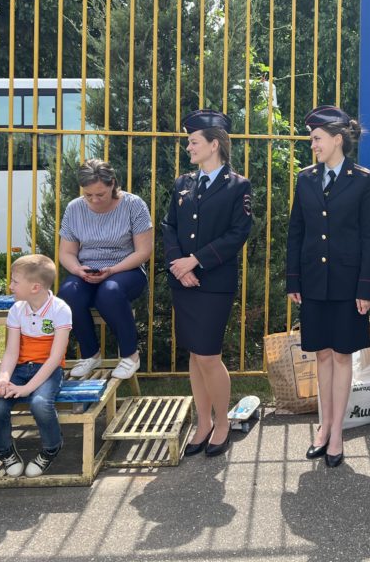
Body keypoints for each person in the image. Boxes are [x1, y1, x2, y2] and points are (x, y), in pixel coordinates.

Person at [286, 106, 370, 467]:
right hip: (313, 282)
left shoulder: (362, 179)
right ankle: (323, 427)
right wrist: (294, 278)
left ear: (337, 139)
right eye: (312, 139)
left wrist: (366, 288)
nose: (313, 145)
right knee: (321, 354)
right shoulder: (306, 178)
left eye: (317, 138)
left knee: (342, 356)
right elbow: (296, 230)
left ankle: (337, 431)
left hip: (347, 283)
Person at [162, 110, 253, 457]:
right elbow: (169, 225)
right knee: (195, 355)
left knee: (209, 355)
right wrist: (178, 265)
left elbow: (237, 234)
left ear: (214, 144)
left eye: (194, 142)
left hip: (214, 282)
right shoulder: (183, 183)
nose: (188, 147)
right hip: (182, 281)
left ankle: (222, 422)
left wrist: (195, 261)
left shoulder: (237, 186)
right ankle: (202, 423)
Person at [57, 159, 153, 381]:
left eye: (100, 194)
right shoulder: (74, 208)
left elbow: (143, 252)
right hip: (87, 270)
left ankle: (130, 355)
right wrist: (78, 270)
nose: (94, 200)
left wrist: (113, 270)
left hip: (127, 269)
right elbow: (67, 253)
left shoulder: (133, 204)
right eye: (88, 194)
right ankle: (90, 354)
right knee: (68, 293)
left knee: (109, 292)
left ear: (113, 185)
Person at [0, 254, 72, 478]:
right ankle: (6, 452)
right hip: (21, 368)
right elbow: (11, 351)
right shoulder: (17, 310)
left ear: (35, 287)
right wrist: (4, 378)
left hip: (48, 369)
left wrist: (26, 389)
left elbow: (55, 359)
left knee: (40, 403)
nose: (10, 286)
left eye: (15, 281)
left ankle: (51, 448)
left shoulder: (60, 309)